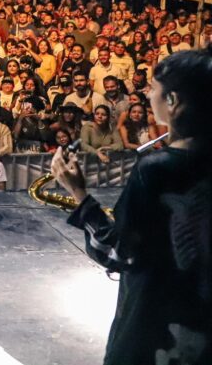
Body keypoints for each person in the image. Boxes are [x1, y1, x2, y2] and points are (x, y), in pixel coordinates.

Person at [51, 46, 211, 365]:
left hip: (156, 331)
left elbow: (117, 253)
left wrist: (79, 193)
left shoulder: (156, 169)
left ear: (173, 101)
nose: (148, 95)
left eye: (153, 89)